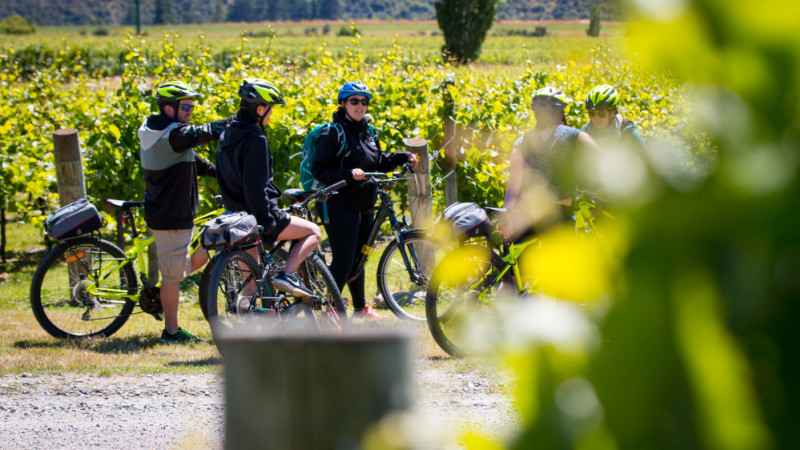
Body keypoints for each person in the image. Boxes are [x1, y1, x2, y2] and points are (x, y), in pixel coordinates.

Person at [312, 81, 418, 319]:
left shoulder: (368, 131)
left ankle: (360, 309)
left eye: (364, 101)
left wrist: (403, 156)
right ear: (343, 104)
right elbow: (320, 170)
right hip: (338, 204)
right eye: (354, 101)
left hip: (364, 203)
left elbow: (378, 161)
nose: (360, 106)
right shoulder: (333, 133)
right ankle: (332, 310)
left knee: (360, 257)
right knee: (344, 258)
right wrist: (348, 175)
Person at [139, 80, 229, 344]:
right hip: (170, 215)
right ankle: (171, 331)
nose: (190, 110)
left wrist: (227, 177)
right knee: (172, 276)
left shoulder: (168, 135)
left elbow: (199, 164)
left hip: (171, 213)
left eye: (192, 106)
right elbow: (201, 133)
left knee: (178, 270)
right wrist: (236, 120)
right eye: (186, 106)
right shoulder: (172, 135)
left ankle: (166, 294)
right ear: (168, 108)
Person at [215, 78, 321, 298]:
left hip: (235, 217)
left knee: (250, 285)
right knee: (313, 231)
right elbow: (256, 188)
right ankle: (288, 274)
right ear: (260, 109)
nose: (271, 115)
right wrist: (269, 223)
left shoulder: (228, 133)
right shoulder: (256, 139)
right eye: (270, 109)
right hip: (257, 218)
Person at [503, 86, 598, 240]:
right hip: (560, 217)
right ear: (560, 112)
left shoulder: (521, 142)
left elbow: (513, 186)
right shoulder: (574, 136)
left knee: (525, 262)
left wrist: (507, 214)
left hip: (528, 217)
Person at [581, 84, 647, 152]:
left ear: (613, 112)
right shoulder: (584, 132)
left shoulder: (628, 130)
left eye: (601, 114)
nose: (596, 117)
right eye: (591, 113)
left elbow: (646, 158)